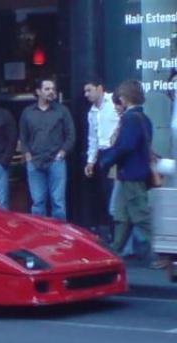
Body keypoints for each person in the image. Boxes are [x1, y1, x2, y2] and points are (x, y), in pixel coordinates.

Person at [98, 80, 154, 263]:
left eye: (120, 97)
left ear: (125, 98)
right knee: (122, 215)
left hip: (131, 174)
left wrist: (106, 159)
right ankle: (114, 252)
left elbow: (125, 146)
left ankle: (158, 255)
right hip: (133, 173)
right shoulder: (144, 118)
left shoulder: (130, 119)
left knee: (141, 217)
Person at [19, 78, 76, 220]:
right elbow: (23, 136)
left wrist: (63, 152)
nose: (51, 92)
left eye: (53, 89)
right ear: (38, 92)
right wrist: (27, 154)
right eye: (47, 89)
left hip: (56, 161)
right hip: (35, 161)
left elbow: (71, 134)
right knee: (38, 203)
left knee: (58, 202)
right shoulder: (28, 112)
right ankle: (40, 237)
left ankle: (60, 238)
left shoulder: (62, 110)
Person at [83, 79, 120, 236]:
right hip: (102, 155)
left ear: (100, 88)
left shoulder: (114, 102)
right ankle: (112, 233)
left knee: (116, 195)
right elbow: (93, 138)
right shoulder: (91, 112)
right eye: (85, 91)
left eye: (89, 90)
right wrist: (90, 161)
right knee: (106, 195)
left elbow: (122, 121)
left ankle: (119, 234)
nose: (86, 94)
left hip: (116, 152)